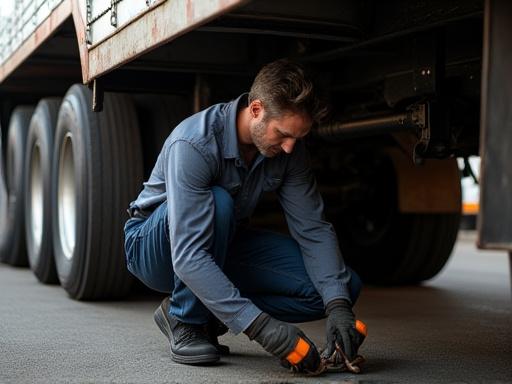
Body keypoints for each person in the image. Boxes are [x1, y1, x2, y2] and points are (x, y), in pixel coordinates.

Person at [124, 59, 364, 373]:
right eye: (283, 134)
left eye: (298, 137)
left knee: (343, 286)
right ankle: (186, 319)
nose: (291, 147)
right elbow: (187, 255)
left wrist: (338, 306)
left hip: (222, 242)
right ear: (255, 110)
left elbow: (313, 229)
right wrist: (263, 329)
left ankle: (210, 312)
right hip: (156, 248)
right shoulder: (195, 143)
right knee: (219, 202)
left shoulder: (289, 151)